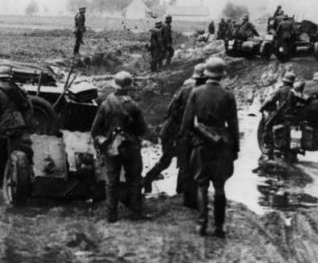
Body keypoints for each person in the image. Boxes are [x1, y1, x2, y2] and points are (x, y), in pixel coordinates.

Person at [180, 57, 239, 238]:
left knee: (202, 185)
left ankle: (202, 224)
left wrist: (188, 139)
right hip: (222, 145)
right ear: (222, 75)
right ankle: (219, 227)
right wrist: (235, 148)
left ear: (206, 73)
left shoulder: (196, 93)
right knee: (220, 187)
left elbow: (187, 123)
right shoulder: (228, 95)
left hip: (201, 144)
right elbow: (234, 124)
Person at [144, 63, 207, 208]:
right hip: (173, 130)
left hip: (180, 130)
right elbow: (172, 112)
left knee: (185, 161)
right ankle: (147, 180)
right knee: (168, 160)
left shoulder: (187, 91)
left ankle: (180, 191)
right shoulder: (188, 91)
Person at [91, 71, 149, 223]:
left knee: (112, 180)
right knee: (135, 179)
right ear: (129, 88)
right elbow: (142, 130)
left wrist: (104, 140)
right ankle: (136, 211)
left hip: (112, 147)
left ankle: (112, 214)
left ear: (114, 86)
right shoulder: (134, 106)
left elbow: (95, 130)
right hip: (131, 148)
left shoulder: (105, 104)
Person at [0, 66, 34, 189]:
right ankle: (15, 179)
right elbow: (28, 108)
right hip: (19, 125)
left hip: (3, 125)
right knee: (14, 153)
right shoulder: (19, 90)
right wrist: (25, 124)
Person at [260, 71, 297, 159]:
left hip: (283, 115)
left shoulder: (281, 90)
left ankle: (268, 145)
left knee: (268, 125)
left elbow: (270, 100)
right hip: (295, 116)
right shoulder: (295, 91)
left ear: (284, 81)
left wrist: (262, 107)